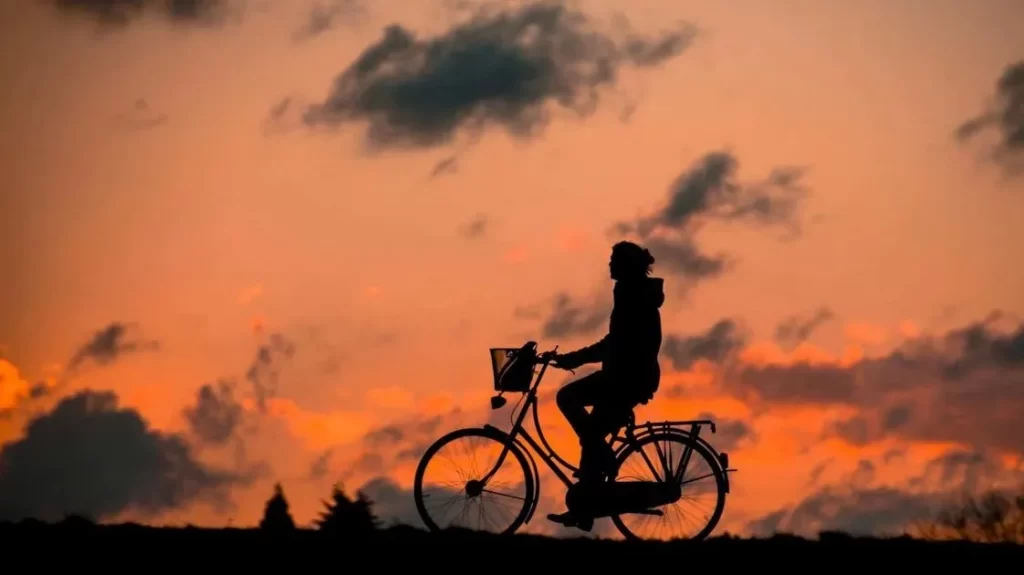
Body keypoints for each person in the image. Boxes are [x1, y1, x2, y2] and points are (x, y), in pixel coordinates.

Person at [546, 240, 665, 530]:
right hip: (626, 376)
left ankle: (605, 459)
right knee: (592, 433)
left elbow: (615, 344)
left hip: (628, 378)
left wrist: (574, 359)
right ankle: (585, 508)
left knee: (568, 398)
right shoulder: (632, 292)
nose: (609, 264)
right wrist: (576, 359)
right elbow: (615, 343)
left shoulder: (632, 294)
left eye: (613, 260)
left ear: (625, 266)